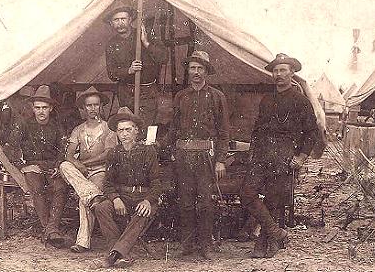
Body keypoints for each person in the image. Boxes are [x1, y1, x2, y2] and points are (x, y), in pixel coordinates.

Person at [240, 53, 318, 258]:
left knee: (273, 201)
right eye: (275, 70)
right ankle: (276, 233)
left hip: (284, 154)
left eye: (283, 70)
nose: (279, 74)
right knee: (247, 194)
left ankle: (264, 244)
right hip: (262, 153)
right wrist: (252, 153)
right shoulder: (266, 99)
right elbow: (257, 129)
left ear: (292, 73)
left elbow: (312, 132)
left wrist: (301, 157)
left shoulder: (300, 100)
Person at [163, 50, 230, 260]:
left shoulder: (217, 97)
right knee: (185, 202)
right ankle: (187, 244)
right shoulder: (181, 96)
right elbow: (173, 129)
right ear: (188, 71)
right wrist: (164, 148)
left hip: (206, 158)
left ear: (207, 71)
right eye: (192, 68)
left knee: (205, 203)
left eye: (200, 68)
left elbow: (224, 132)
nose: (196, 72)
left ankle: (206, 245)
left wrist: (220, 160)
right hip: (184, 157)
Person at [92, 107, 162, 268]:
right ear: (116, 133)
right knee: (102, 208)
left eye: (128, 130)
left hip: (143, 197)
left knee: (143, 211)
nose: (124, 134)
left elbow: (156, 183)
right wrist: (116, 199)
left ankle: (114, 255)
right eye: (120, 130)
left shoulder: (148, 151)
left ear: (136, 131)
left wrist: (147, 201)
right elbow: (108, 183)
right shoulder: (114, 153)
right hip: (122, 197)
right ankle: (120, 253)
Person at [4, 85, 68, 247]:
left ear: (51, 108)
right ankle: (52, 230)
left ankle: (50, 229)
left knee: (60, 187)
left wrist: (58, 164)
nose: (41, 111)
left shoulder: (56, 125)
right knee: (37, 188)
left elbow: (62, 148)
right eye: (37, 107)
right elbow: (9, 148)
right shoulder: (24, 123)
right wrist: (22, 166)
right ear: (32, 108)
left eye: (45, 108)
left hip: (51, 166)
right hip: (32, 166)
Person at [59, 86, 117, 253]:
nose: (93, 108)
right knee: (64, 166)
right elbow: (69, 155)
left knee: (83, 198)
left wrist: (85, 163)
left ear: (101, 106)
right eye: (89, 105)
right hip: (82, 173)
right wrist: (78, 165)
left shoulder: (108, 128)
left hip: (100, 170)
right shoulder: (79, 129)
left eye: (96, 105)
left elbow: (107, 154)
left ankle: (83, 242)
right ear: (83, 109)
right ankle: (93, 196)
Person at [104, 3, 168, 130]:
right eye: (116, 20)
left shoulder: (144, 35)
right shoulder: (111, 44)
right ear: (111, 23)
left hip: (147, 92)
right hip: (126, 93)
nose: (120, 23)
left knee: (143, 128)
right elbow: (111, 73)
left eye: (123, 19)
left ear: (130, 20)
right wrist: (129, 70)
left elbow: (163, 58)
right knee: (127, 127)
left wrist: (146, 43)